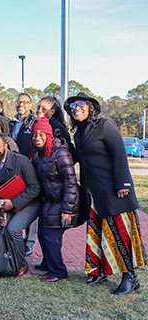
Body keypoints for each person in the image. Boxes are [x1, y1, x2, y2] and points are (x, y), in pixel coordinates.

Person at [64, 92, 147, 295]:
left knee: (119, 234)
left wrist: (124, 183)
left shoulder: (105, 125)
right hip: (93, 193)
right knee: (96, 233)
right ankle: (98, 271)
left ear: (90, 106)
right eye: (73, 106)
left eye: (80, 104)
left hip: (114, 191)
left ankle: (130, 278)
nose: (76, 108)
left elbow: (119, 154)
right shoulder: (78, 133)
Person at [30, 117, 83, 282]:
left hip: (66, 201)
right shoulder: (37, 155)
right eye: (34, 135)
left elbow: (71, 182)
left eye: (41, 135)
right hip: (49, 201)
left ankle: (59, 273)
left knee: (50, 235)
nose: (37, 138)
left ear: (48, 135)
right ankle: (50, 267)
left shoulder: (61, 153)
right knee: (41, 233)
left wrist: (67, 210)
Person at [0, 131, 40, 277]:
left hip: (29, 204)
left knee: (13, 229)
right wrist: (1, 211)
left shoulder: (21, 161)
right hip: (6, 206)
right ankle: (3, 259)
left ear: (6, 146)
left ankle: (21, 263)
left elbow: (35, 188)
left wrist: (13, 203)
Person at [10, 93, 38, 255]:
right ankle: (15, 237)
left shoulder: (33, 122)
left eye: (26, 102)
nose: (22, 104)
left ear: (30, 105)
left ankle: (29, 241)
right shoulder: (10, 122)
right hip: (13, 170)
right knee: (15, 202)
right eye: (19, 102)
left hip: (29, 169)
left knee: (30, 202)